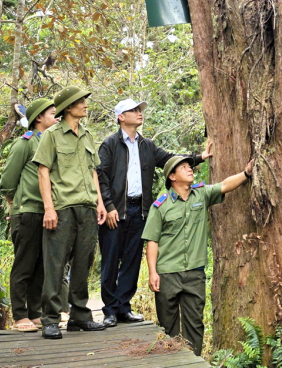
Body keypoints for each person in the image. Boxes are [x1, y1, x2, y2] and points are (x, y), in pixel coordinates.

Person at [96, 98, 213, 326]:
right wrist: (108, 207)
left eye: (140, 110)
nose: (139, 113)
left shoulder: (147, 145)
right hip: (115, 210)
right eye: (133, 110)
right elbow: (100, 177)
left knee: (131, 260)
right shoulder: (109, 144)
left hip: (140, 210)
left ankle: (123, 308)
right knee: (110, 260)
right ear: (121, 117)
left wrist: (199, 158)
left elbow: (170, 159)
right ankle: (109, 310)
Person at [143, 155, 254, 355]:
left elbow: (224, 185)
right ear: (172, 177)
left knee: (194, 325)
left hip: (194, 273)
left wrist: (246, 173)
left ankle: (193, 361)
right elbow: (152, 241)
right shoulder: (160, 205)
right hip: (167, 273)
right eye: (183, 167)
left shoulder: (201, 194)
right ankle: (172, 363)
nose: (189, 169)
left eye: (189, 166)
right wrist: (153, 272)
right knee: (168, 327)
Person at [32, 86, 109, 339]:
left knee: (82, 264)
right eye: (81, 102)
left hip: (87, 208)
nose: (86, 104)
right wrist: (49, 208)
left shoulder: (87, 134)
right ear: (68, 107)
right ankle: (51, 319)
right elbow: (43, 172)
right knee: (55, 264)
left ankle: (79, 316)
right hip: (62, 208)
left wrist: (100, 203)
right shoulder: (51, 135)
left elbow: (93, 172)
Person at [0, 98, 57, 332]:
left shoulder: (53, 142)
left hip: (48, 212)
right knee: (24, 264)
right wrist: (13, 203)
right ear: (39, 118)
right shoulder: (25, 143)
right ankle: (19, 315)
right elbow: (7, 180)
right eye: (53, 114)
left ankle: (36, 313)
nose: (57, 117)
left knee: (41, 266)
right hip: (28, 211)